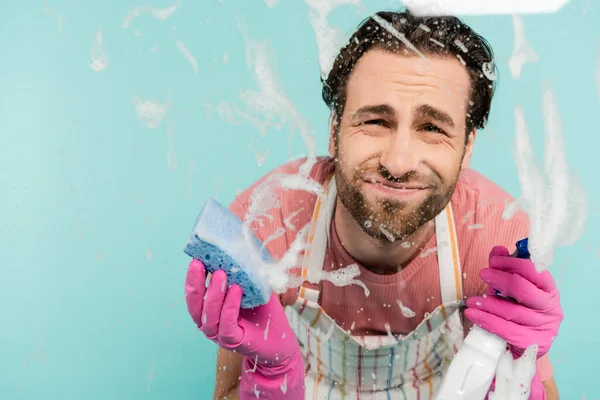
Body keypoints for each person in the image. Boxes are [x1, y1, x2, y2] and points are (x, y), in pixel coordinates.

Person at [184, 9, 563, 400]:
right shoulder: (268, 222)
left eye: (432, 128)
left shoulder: (496, 239)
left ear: (466, 149)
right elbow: (226, 394)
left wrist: (519, 377)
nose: (397, 163)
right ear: (334, 132)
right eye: (376, 121)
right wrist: (272, 376)